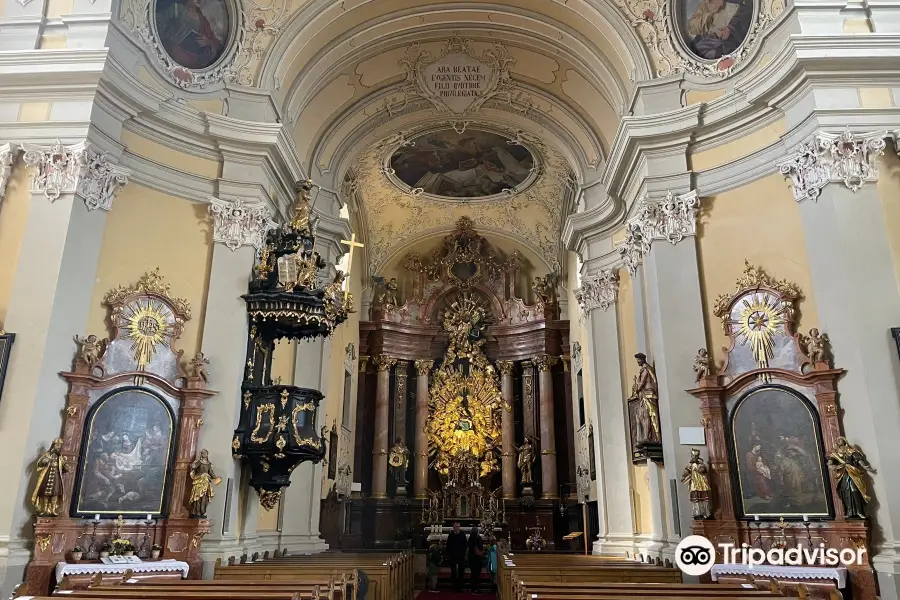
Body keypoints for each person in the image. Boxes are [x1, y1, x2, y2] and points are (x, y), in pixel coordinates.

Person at [446, 521, 467, 592]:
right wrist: (450, 554)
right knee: (453, 572)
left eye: (458, 526)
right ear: (453, 527)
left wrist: (462, 552)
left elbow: (465, 545)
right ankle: (454, 586)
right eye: (456, 526)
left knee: (461, 571)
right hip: (453, 556)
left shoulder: (462, 534)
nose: (457, 528)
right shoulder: (451, 535)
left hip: (461, 556)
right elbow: (448, 545)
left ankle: (460, 587)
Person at [468, 525, 485, 593]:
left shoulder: (471, 538)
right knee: (476, 574)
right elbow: (476, 549)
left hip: (472, 558)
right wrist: (481, 553)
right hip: (476, 558)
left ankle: (474, 588)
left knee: (474, 574)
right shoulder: (476, 538)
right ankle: (475, 588)